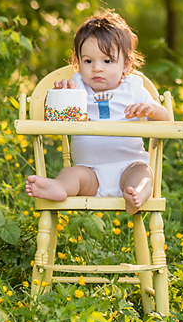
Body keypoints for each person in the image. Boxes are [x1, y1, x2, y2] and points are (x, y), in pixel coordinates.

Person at [25, 11, 170, 214]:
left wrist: (152, 110)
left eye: (107, 61)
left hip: (128, 167)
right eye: (88, 61)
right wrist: (62, 94)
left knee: (144, 173)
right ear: (78, 62)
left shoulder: (133, 89)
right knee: (71, 173)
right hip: (89, 172)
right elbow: (55, 117)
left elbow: (167, 121)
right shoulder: (77, 88)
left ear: (126, 64)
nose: (97, 69)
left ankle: (136, 194)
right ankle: (59, 187)